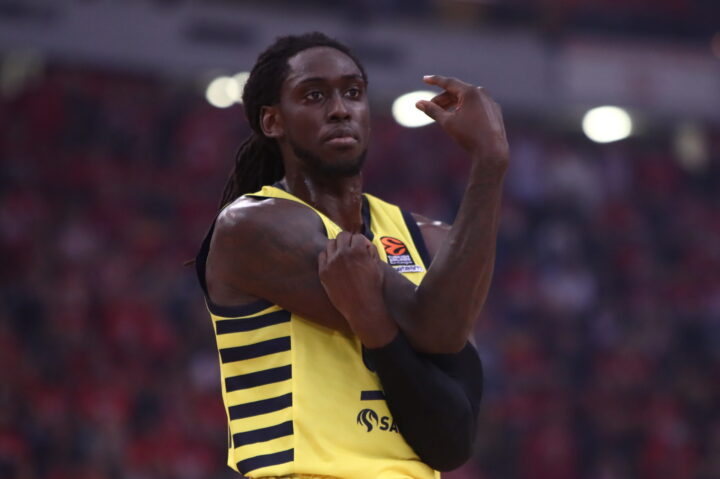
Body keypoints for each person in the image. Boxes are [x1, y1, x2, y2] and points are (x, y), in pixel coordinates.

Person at [195, 32, 508, 478]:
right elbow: (433, 327)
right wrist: (488, 165)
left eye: (353, 92)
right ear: (273, 121)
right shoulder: (252, 226)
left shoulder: (431, 238)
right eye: (314, 95)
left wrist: (490, 163)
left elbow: (453, 440)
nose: (340, 109)